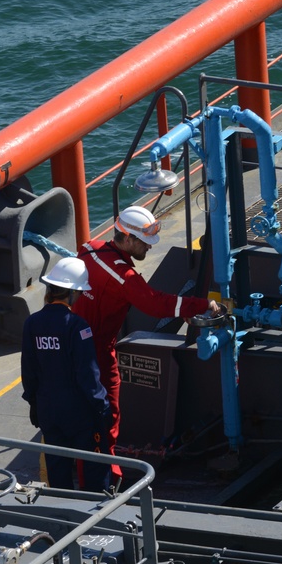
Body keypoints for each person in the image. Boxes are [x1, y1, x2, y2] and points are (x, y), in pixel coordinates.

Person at [72, 205, 222, 482]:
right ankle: (102, 478)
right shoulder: (123, 277)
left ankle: (84, 470)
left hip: (74, 347)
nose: (150, 248)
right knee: (105, 416)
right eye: (145, 242)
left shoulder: (89, 249)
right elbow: (154, 303)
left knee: (82, 416)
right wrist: (201, 305)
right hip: (96, 356)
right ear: (127, 238)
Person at [21, 257, 110, 491]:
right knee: (95, 466)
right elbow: (87, 374)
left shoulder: (32, 323)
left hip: (48, 410)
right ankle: (96, 512)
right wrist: (101, 407)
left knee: (57, 467)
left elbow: (29, 370)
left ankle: (61, 512)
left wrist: (33, 402)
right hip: (78, 412)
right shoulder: (78, 327)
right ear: (71, 294)